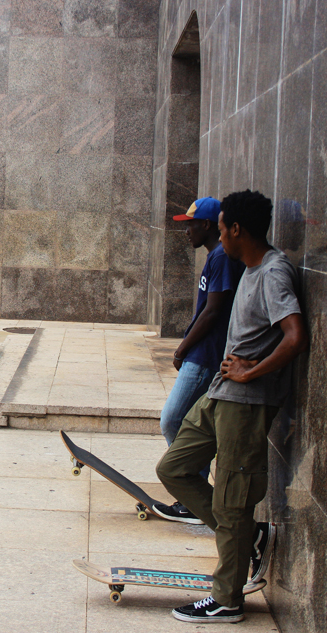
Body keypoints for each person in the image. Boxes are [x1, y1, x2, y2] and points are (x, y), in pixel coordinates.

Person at [156, 190, 308, 623]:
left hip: (245, 401)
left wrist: (250, 371)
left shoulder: (274, 272)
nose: (218, 235)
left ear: (235, 229)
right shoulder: (250, 266)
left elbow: (296, 337)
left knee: (232, 500)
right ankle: (248, 537)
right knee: (174, 468)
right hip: (222, 393)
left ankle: (227, 598)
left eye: (221, 227)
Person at [152, 197, 245, 524]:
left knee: (173, 419)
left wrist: (181, 349)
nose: (186, 230)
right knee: (190, 422)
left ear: (207, 225)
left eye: (190, 224)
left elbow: (213, 311)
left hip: (206, 356)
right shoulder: (216, 256)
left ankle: (191, 491)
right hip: (203, 353)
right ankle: (191, 491)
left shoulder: (220, 257)